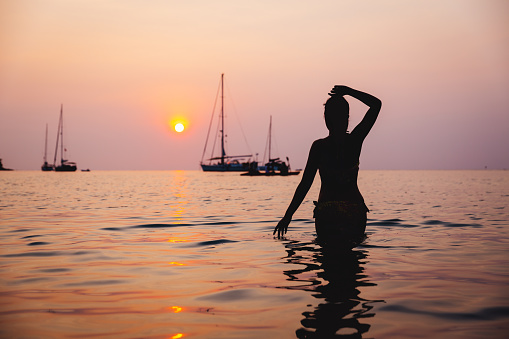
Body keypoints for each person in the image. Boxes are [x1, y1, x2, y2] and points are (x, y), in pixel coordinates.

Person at [273, 85, 381, 247]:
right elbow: (376, 104)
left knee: (328, 265)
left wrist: (288, 216)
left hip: (328, 213)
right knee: (353, 266)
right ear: (347, 117)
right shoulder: (354, 141)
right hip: (354, 211)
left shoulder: (319, 147)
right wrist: (349, 91)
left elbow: (305, 184)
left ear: (326, 118)